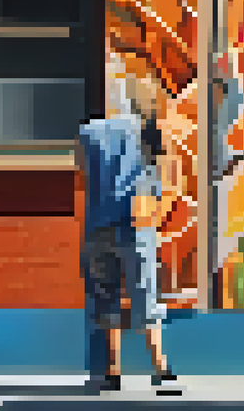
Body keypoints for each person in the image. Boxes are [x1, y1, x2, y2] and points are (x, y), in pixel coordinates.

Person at [76, 74, 181, 395]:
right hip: (135, 224)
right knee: (144, 294)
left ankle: (111, 372)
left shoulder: (88, 132)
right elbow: (164, 179)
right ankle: (161, 369)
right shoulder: (149, 132)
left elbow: (82, 176)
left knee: (104, 297)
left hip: (97, 225)